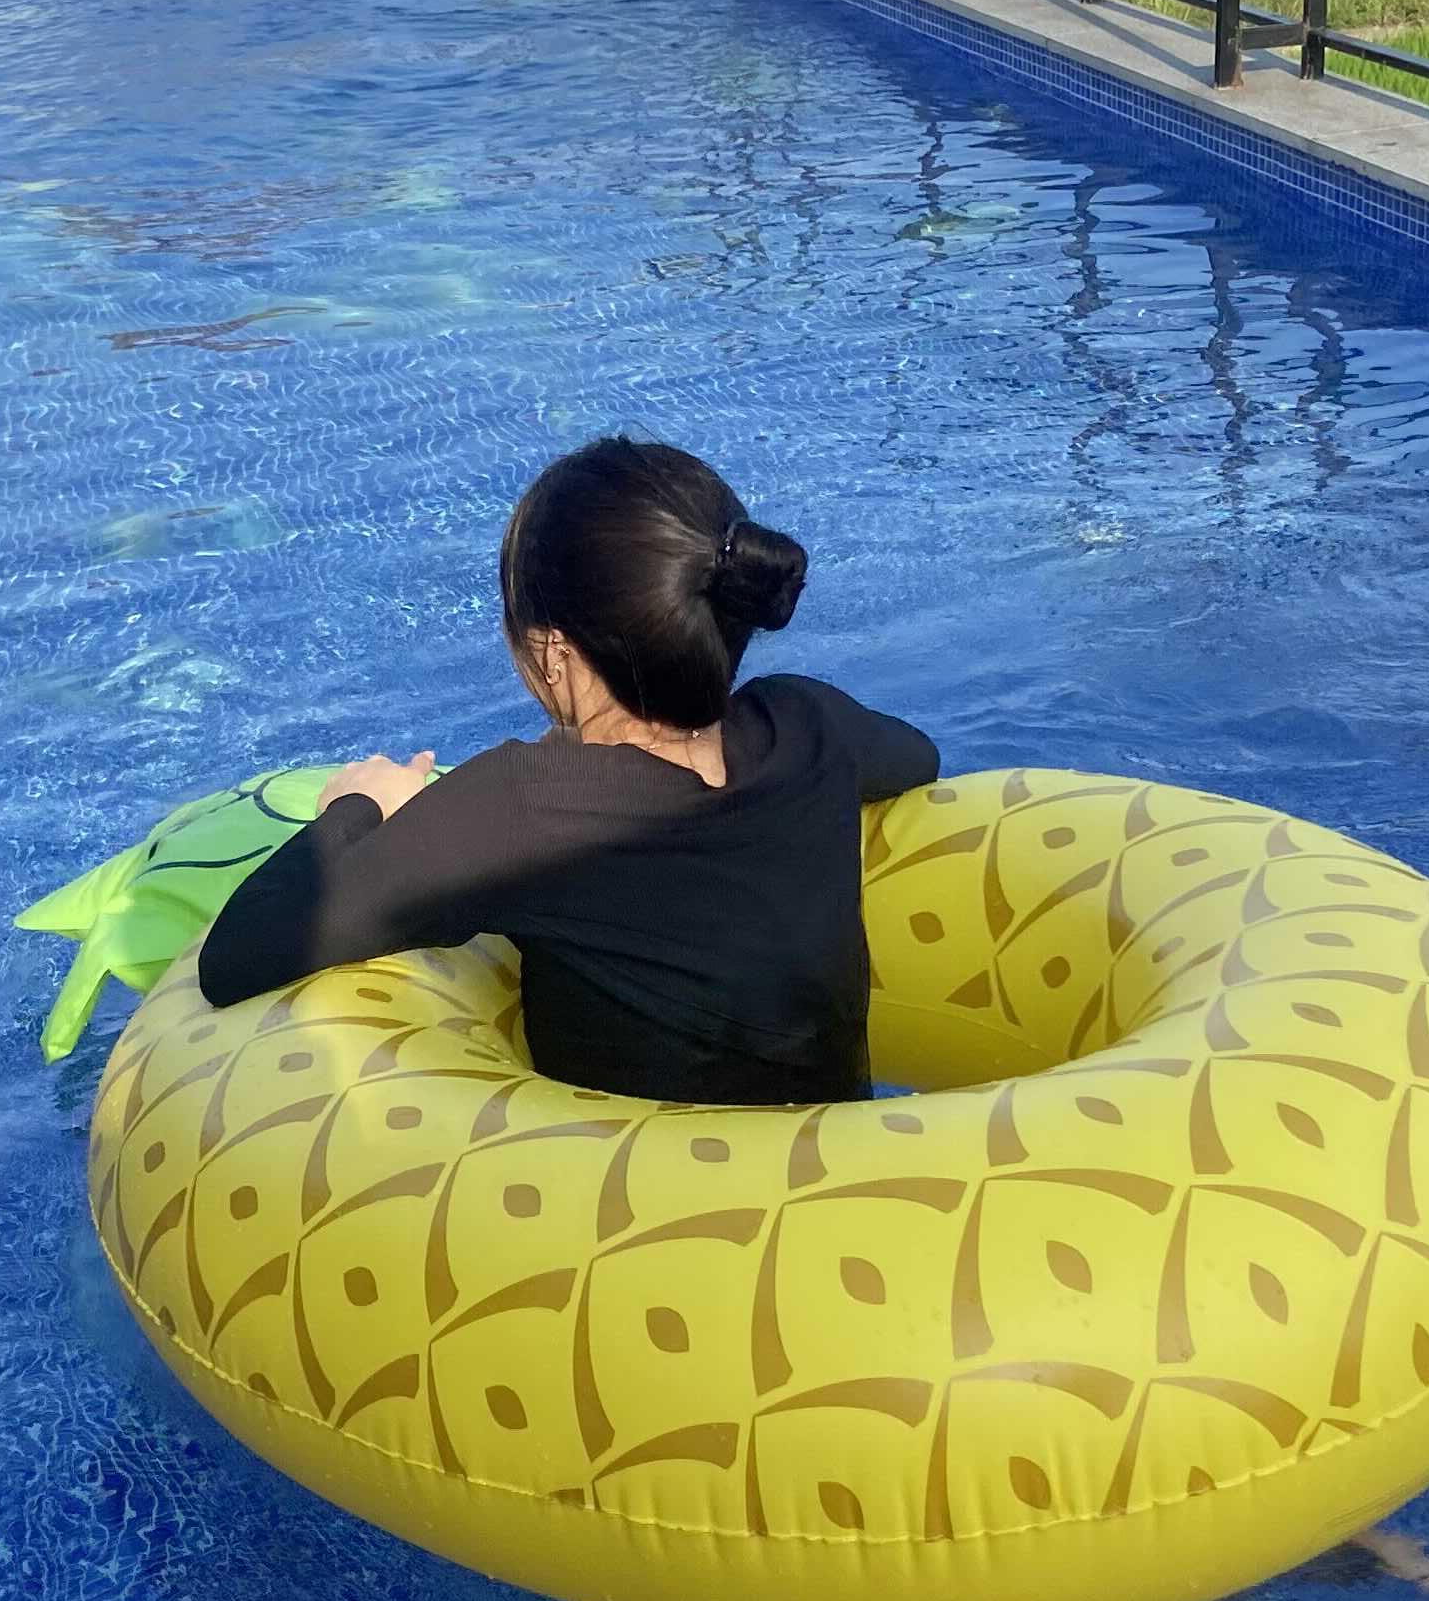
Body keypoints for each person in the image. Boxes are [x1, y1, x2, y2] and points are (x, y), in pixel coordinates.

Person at [195, 435, 936, 1106]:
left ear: (553, 653)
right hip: (840, 1173)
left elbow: (238, 958)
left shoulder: (527, 806)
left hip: (639, 1207)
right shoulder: (811, 723)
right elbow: (918, 758)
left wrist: (359, 806)